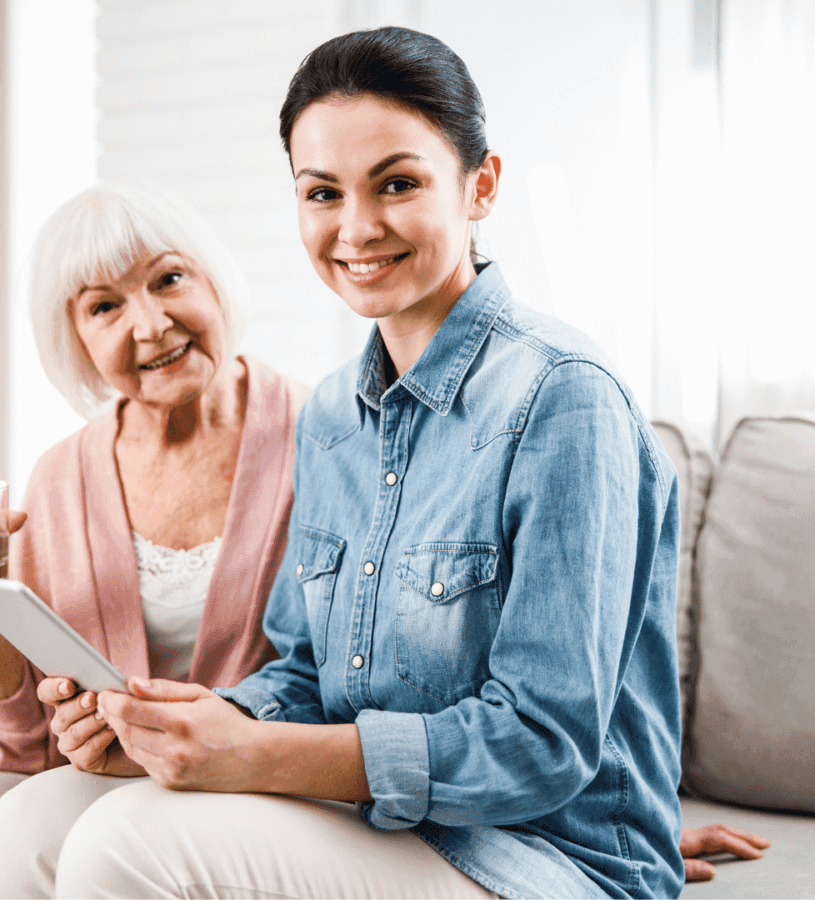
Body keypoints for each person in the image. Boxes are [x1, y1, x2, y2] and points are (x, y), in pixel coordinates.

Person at [48, 27, 765, 900]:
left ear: (480, 186)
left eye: (397, 183)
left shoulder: (564, 399)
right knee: (31, 825)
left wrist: (257, 757)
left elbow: (543, 742)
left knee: (122, 845)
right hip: (377, 824)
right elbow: (310, 672)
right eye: (322, 193)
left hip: (545, 860)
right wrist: (192, 725)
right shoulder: (330, 418)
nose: (357, 228)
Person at [0, 183, 308, 899]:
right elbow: (15, 750)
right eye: (104, 306)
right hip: (82, 774)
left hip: (235, 774)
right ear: (76, 340)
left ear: (214, 279)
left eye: (168, 278)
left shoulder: (323, 440)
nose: (149, 325)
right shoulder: (63, 475)